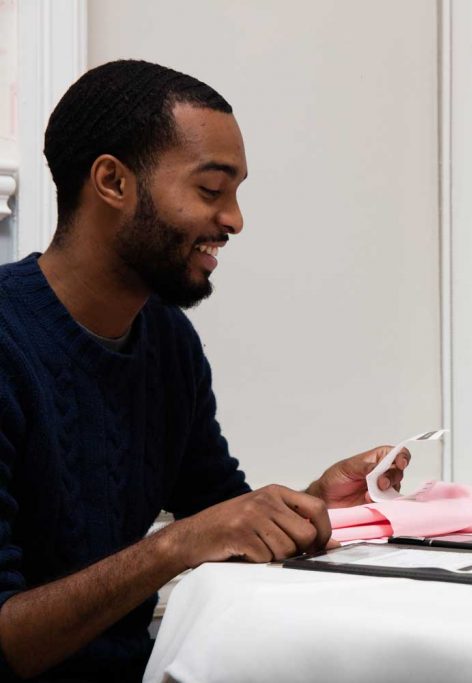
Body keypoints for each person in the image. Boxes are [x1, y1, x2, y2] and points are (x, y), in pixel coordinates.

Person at [0, 60, 408, 682]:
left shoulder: (168, 340)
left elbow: (220, 514)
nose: (234, 219)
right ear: (112, 180)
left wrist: (311, 503)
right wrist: (175, 543)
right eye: (212, 190)